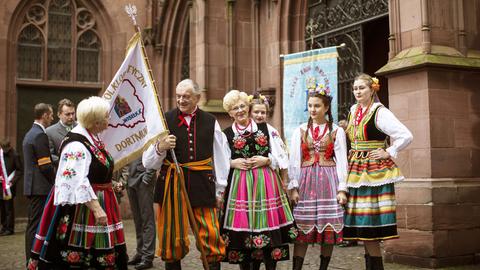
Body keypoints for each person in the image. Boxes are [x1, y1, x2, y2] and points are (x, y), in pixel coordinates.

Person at [28, 96, 128, 269]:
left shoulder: (92, 138)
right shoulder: (77, 144)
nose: (109, 120)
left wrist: (109, 183)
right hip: (84, 209)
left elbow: (93, 172)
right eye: (106, 116)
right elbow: (76, 180)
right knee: (80, 258)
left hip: (100, 200)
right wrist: (97, 209)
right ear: (95, 122)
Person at [143, 79, 229, 270]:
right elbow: (148, 162)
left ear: (197, 98)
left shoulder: (210, 121)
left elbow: (222, 157)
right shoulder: (164, 120)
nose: (181, 100)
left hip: (203, 185)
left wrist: (220, 190)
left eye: (186, 96)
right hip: (171, 186)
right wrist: (160, 147)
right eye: (178, 96)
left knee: (211, 236)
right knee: (171, 239)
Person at [344, 74, 413, 270]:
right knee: (362, 223)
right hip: (356, 170)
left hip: (374, 172)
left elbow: (406, 135)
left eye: (362, 88)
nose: (357, 92)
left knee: (370, 222)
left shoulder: (380, 112)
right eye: (355, 88)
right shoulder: (353, 110)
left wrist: (389, 151)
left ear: (372, 89)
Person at [221, 90, 295, 270]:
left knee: (269, 228)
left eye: (242, 106)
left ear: (248, 107)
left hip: (266, 183)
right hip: (240, 188)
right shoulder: (226, 134)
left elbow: (283, 155)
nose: (239, 110)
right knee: (244, 232)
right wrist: (232, 163)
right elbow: (219, 161)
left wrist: (268, 160)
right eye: (234, 108)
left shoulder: (266, 129)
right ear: (230, 113)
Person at [288, 83, 348, 270]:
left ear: (326, 108)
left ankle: (323, 268)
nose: (313, 109)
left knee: (328, 227)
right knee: (302, 227)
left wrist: (342, 189)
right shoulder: (299, 131)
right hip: (306, 183)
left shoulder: (337, 131)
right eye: (311, 105)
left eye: (317, 106)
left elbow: (342, 161)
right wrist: (294, 186)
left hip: (328, 183)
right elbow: (294, 160)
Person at [23, 103, 55, 263]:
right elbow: (45, 165)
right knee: (35, 226)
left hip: (34, 186)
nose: (52, 118)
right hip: (41, 188)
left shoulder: (31, 133)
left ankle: (32, 258)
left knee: (33, 224)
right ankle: (32, 259)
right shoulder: (39, 135)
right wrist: (56, 181)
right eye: (50, 115)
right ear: (44, 116)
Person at [126, 157, 157, 270]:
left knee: (147, 219)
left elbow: (155, 153)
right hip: (130, 179)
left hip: (144, 179)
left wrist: (148, 176)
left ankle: (148, 257)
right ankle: (140, 253)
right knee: (138, 220)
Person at [0, 138, 23, 236]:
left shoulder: (15, 155)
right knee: (2, 208)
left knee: (9, 208)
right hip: (0, 186)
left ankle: (10, 228)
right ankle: (4, 226)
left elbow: (19, 170)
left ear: (10, 147)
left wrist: (12, 182)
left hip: (9, 186)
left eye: (7, 149)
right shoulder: (0, 155)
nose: (5, 151)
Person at [46, 99, 76, 165]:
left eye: (73, 113)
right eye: (67, 114)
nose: (71, 117)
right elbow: (49, 155)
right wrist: (66, 161)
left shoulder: (81, 128)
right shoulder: (50, 132)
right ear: (59, 115)